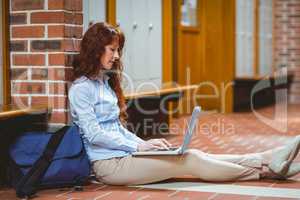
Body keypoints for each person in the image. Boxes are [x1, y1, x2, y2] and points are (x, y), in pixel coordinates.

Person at [68, 22, 300, 186]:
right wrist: (139, 148)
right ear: (96, 49)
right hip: (109, 165)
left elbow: (115, 128)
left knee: (192, 153)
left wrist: (145, 143)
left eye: (117, 50)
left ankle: (270, 156)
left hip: (125, 155)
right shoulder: (81, 89)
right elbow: (94, 134)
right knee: (190, 161)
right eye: (112, 49)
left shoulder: (103, 82)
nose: (117, 55)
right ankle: (267, 170)